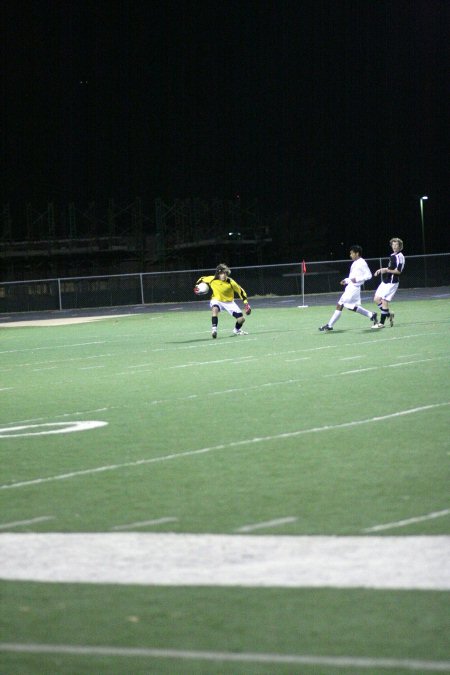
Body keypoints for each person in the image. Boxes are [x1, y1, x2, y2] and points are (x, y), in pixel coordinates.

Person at [319, 245, 378, 331]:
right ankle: (371, 314)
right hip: (352, 287)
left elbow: (369, 276)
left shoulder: (362, 263)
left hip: (353, 288)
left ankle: (329, 325)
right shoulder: (355, 263)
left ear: (357, 253)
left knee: (340, 304)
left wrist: (356, 279)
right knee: (351, 306)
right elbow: (352, 277)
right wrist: (346, 280)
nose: (350, 255)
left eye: (351, 253)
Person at [195, 263, 251, 338]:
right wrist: (197, 286)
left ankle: (236, 330)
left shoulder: (231, 282)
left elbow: (241, 291)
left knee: (241, 319)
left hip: (229, 302)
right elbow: (201, 278)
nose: (224, 275)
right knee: (215, 309)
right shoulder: (212, 279)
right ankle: (214, 330)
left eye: (225, 273)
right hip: (216, 300)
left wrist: (246, 304)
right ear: (218, 273)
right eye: (222, 273)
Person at [372, 237, 405, 328]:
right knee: (376, 299)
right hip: (387, 281)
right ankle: (388, 314)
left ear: (400, 246)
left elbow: (398, 271)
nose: (394, 246)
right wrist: (381, 269)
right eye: (393, 244)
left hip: (392, 282)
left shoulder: (400, 256)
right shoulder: (392, 255)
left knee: (384, 300)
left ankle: (381, 323)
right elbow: (390, 269)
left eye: (396, 245)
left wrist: (387, 271)